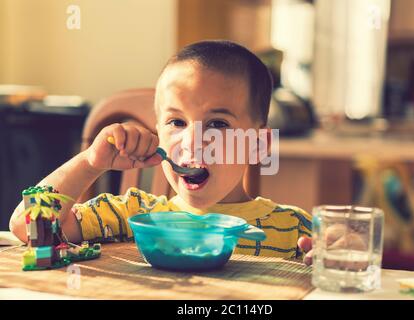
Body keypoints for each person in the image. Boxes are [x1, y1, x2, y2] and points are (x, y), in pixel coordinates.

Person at [10, 40, 314, 264]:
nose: (193, 141)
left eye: (218, 124)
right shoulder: (133, 214)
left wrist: (335, 256)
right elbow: (28, 227)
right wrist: (90, 163)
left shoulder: (293, 229)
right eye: (177, 122)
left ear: (258, 145)